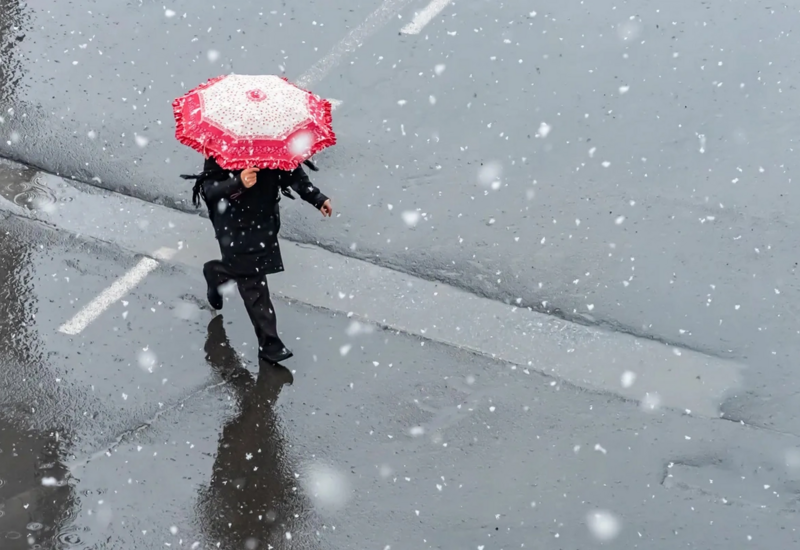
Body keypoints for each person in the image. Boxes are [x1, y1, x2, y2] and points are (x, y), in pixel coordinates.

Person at [181, 156, 332, 364]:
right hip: (233, 227)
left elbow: (291, 170)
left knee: (247, 273)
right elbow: (211, 190)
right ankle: (270, 343)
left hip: (263, 222)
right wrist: (238, 182)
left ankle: (217, 273)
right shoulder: (222, 150)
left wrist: (316, 197)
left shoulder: (272, 145)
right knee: (253, 281)